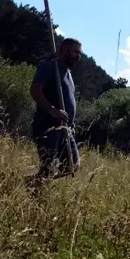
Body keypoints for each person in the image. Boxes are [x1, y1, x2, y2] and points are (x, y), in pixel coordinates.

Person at [26, 38, 82, 189]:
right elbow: (35, 90)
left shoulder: (68, 73)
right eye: (76, 51)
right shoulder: (49, 67)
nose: (79, 56)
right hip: (47, 126)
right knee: (48, 167)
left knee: (72, 165)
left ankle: (34, 182)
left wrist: (72, 124)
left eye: (80, 52)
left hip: (65, 128)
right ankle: (35, 190)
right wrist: (51, 109)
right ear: (65, 49)